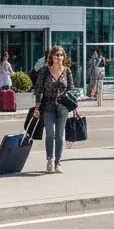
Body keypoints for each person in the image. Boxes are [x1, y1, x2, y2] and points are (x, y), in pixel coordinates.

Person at [32, 45, 75, 173]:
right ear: (51, 56)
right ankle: (49, 160)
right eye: (56, 55)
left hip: (63, 106)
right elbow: (38, 89)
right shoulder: (44, 70)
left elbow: (71, 89)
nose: (58, 57)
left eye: (61, 55)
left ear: (64, 57)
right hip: (48, 106)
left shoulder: (67, 71)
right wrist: (37, 107)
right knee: (50, 133)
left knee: (60, 134)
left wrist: (74, 106)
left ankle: (58, 163)